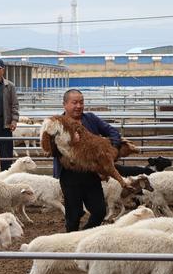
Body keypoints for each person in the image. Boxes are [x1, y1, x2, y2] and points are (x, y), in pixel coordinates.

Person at [52, 89, 122, 232]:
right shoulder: (56, 123)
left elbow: (113, 132)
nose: (78, 106)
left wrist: (112, 152)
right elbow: (51, 150)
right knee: (73, 216)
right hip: (69, 175)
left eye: (81, 102)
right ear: (64, 104)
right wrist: (70, 141)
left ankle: (84, 235)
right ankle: (71, 245)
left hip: (91, 173)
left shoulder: (90, 119)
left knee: (99, 211)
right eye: (74, 103)